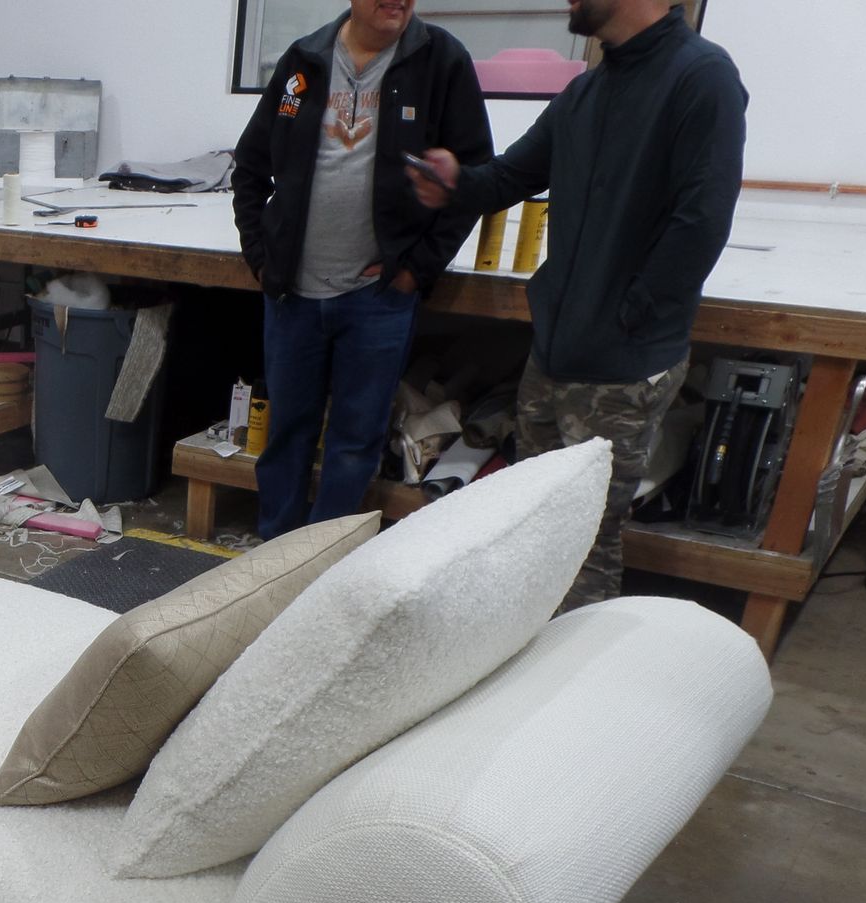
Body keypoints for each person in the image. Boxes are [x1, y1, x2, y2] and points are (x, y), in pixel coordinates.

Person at [411, 0, 747, 608]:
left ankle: (577, 686)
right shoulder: (587, 90)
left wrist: (632, 315)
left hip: (622, 362)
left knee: (587, 542)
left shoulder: (702, 77)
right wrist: (455, 179)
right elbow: (509, 177)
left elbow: (701, 222)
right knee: (536, 524)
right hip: (554, 353)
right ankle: (524, 657)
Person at [233, 0, 493, 540]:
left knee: (355, 442)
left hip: (377, 297)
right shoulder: (304, 60)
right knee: (287, 434)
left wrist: (415, 269)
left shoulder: (440, 61)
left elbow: (474, 179)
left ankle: (324, 562)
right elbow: (251, 166)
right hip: (292, 295)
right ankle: (273, 558)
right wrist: (262, 255)